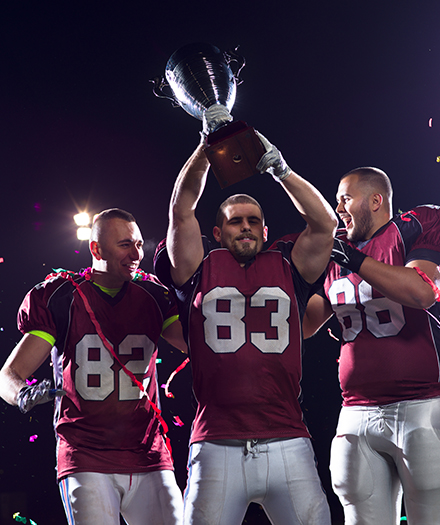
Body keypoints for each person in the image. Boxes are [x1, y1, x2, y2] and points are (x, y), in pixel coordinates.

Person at [153, 105, 337, 525]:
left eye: (254, 220)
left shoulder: (288, 264)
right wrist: (205, 146)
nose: (246, 227)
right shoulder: (199, 267)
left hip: (287, 439)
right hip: (216, 444)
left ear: (266, 230)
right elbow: (181, 209)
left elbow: (324, 225)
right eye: (236, 222)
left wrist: (281, 170)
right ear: (217, 232)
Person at [302, 167, 440, 525]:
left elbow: (421, 291)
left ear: (376, 200)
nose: (339, 207)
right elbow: (303, 325)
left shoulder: (417, 227)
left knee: (431, 519)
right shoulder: (339, 254)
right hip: (357, 409)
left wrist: (356, 260)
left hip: (424, 401)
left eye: (346, 198)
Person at [0, 208, 185, 525]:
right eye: (125, 244)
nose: (137, 254)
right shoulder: (61, 297)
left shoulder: (153, 294)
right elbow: (8, 375)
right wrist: (23, 395)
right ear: (96, 249)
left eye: (139, 244)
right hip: (86, 454)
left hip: (149, 454)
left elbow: (203, 346)